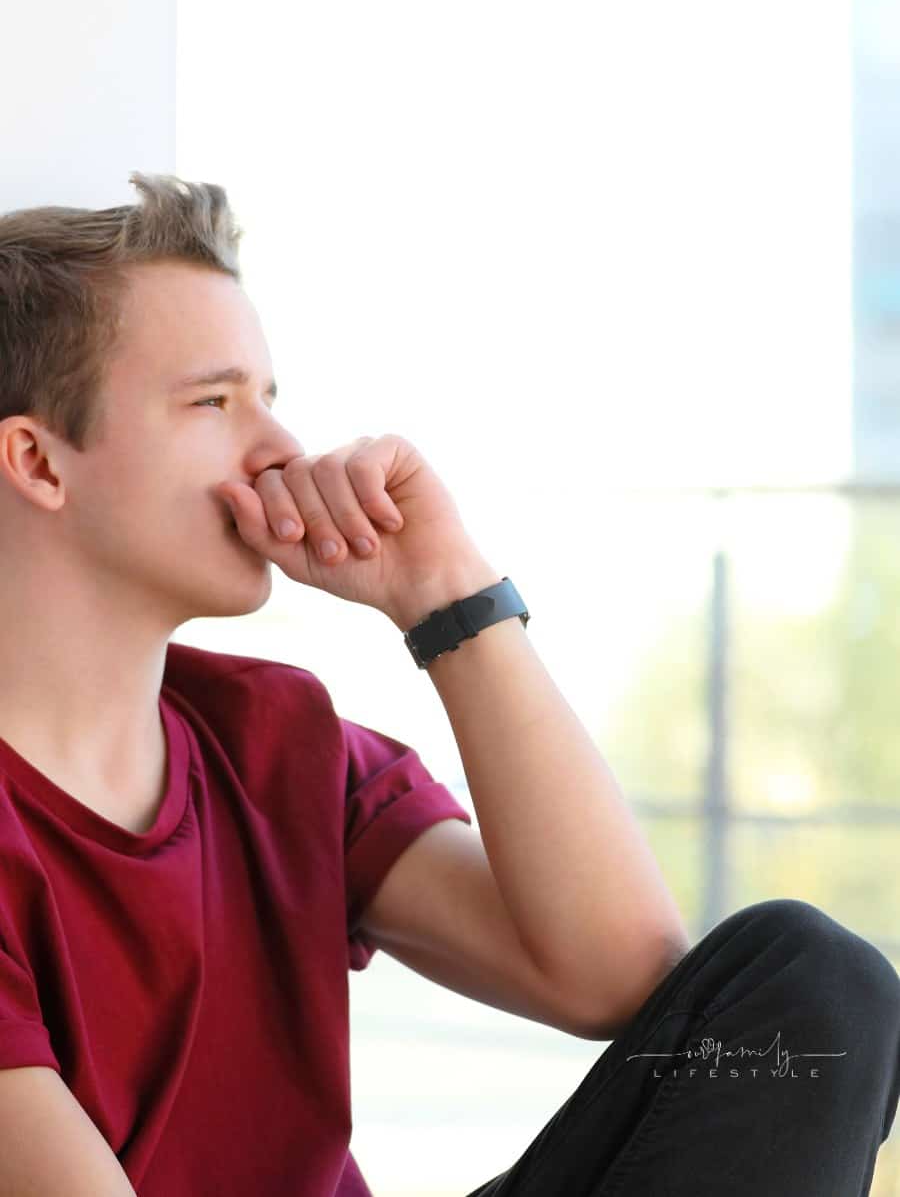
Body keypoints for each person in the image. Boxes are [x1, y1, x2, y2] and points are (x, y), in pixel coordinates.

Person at [0, 173, 896, 1196]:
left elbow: (618, 974)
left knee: (814, 987)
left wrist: (449, 598)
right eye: (213, 402)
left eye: (271, 399)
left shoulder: (275, 740)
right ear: (38, 460)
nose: (282, 449)